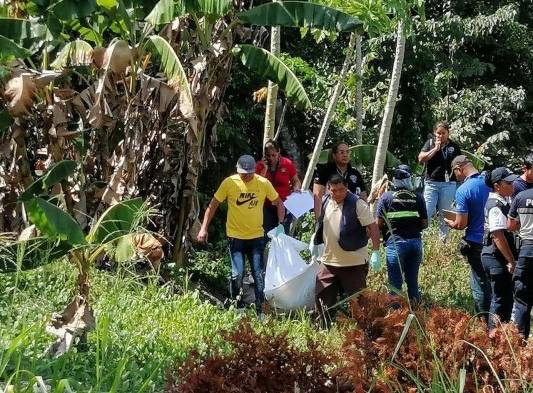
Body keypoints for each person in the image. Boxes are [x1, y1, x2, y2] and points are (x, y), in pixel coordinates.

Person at [197, 155, 285, 315]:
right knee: (237, 274)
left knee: (258, 275)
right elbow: (213, 204)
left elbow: (278, 202)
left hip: (257, 237)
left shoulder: (263, 183)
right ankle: (238, 308)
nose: (245, 176)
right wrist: (203, 228)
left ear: (254, 170)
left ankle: (260, 312)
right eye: (242, 173)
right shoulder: (229, 183)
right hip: (236, 237)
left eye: (249, 173)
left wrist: (280, 224)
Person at [313, 174, 380, 324]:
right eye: (334, 190)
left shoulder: (357, 204)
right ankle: (324, 329)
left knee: (359, 302)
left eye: (341, 190)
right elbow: (321, 223)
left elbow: (373, 227)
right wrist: (315, 239)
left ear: (347, 188)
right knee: (321, 296)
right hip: (329, 262)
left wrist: (376, 251)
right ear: (329, 189)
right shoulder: (325, 202)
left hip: (353, 263)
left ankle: (366, 330)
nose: (338, 193)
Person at [444, 155, 491, 320]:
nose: (456, 176)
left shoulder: (463, 190)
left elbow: (461, 223)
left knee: (480, 284)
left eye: (455, 173)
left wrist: (451, 223)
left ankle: (483, 321)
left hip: (475, 241)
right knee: (492, 281)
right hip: (495, 239)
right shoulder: (490, 181)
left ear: (459, 169)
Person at [376, 164, 428, 303]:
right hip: (415, 244)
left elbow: (378, 224)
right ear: (410, 178)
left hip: (395, 245)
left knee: (395, 285)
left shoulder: (386, 198)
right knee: (412, 283)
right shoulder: (418, 197)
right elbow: (425, 224)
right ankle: (417, 317)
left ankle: (396, 319)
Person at [481, 168, 519, 334]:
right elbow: (498, 236)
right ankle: (493, 337)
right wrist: (511, 260)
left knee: (504, 299)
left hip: (497, 257)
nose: (513, 186)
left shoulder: (504, 203)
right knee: (500, 300)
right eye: (508, 183)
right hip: (496, 257)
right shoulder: (496, 206)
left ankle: (499, 337)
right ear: (497, 186)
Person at [418, 121, 462, 240]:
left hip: (448, 184)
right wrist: (435, 149)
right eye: (438, 133)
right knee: (427, 211)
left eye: (443, 133)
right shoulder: (430, 143)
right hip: (431, 183)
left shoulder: (454, 146)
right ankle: (423, 239)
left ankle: (443, 241)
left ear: (448, 133)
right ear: (434, 133)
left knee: (445, 213)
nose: (440, 136)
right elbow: (420, 159)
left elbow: (460, 163)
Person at [256, 139, 301, 235]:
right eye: (268, 155)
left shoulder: (287, 163)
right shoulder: (260, 165)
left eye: (273, 155)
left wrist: (296, 188)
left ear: (278, 152)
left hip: (284, 205)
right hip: (267, 207)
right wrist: (264, 169)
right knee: (265, 236)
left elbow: (296, 181)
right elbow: (257, 186)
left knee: (282, 236)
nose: (271, 158)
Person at [313, 141, 367, 219]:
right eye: (341, 152)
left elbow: (363, 196)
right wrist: (318, 219)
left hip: (353, 216)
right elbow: (317, 196)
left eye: (347, 152)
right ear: (334, 155)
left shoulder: (355, 173)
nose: (345, 155)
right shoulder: (324, 172)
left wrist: (365, 217)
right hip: (331, 215)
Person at [508, 186, 533, 339]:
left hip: (527, 249)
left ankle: (521, 340)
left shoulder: (521, 196)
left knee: (522, 294)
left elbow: (510, 226)